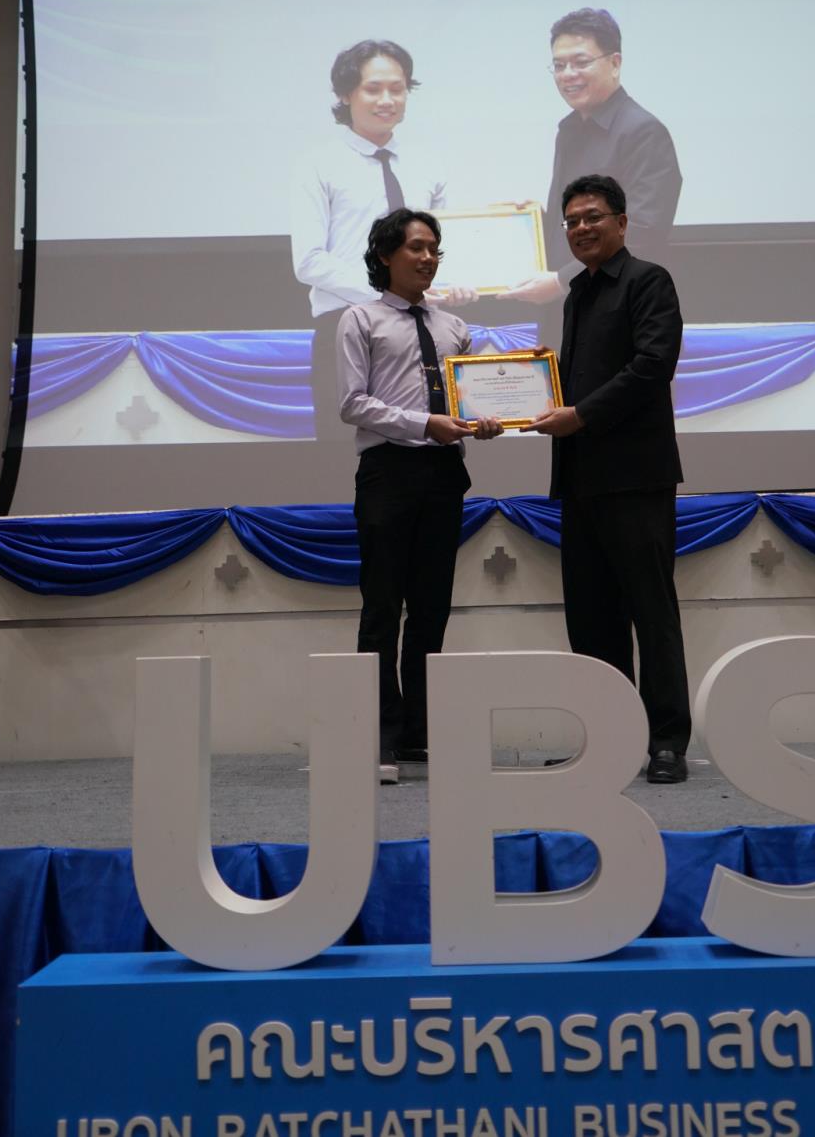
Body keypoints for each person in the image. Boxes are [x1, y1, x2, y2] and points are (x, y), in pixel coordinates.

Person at [523, 173, 691, 784]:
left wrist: (581, 415)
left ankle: (666, 742)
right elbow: (576, 379)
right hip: (581, 478)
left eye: (592, 216)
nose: (581, 228)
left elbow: (653, 366)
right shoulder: (577, 294)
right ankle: (610, 740)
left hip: (635, 477)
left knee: (651, 612)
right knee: (592, 618)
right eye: (571, 221)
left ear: (622, 222)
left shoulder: (648, 281)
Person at [337, 208, 502, 783]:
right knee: (382, 608)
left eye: (434, 248)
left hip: (442, 474)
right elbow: (353, 403)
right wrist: (423, 423)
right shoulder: (360, 318)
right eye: (416, 248)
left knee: (432, 609)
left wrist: (487, 417)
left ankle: (417, 734)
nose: (428, 258)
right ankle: (378, 735)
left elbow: (470, 398)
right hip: (387, 471)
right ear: (385, 255)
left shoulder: (454, 327)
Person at [291, 39, 448, 437]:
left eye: (397, 88)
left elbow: (445, 247)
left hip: (421, 325)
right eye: (373, 89)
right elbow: (308, 260)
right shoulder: (317, 164)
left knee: (427, 439)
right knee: (340, 449)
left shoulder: (428, 163)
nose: (387, 100)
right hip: (346, 323)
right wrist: (386, 293)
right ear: (346, 94)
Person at [506, 7, 681, 305]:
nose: (567, 74)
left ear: (615, 63)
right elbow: (582, 222)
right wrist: (535, 220)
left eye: (581, 62)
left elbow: (641, 233)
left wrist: (562, 281)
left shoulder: (644, 132)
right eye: (559, 65)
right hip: (572, 307)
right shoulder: (569, 129)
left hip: (621, 307)